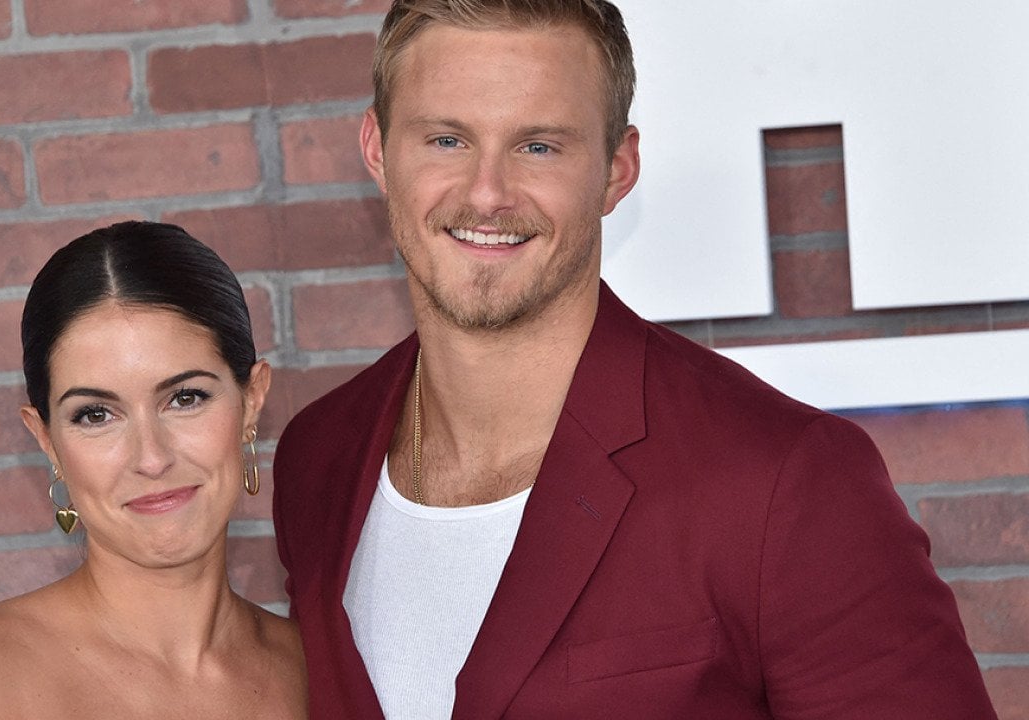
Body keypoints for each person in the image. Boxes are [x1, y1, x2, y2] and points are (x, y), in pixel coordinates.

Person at [271, 1, 997, 718]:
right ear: (377, 149)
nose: (486, 193)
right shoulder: (318, 459)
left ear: (618, 170)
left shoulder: (788, 479)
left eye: (539, 146)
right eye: (446, 141)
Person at [0, 222, 306, 719]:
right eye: (95, 414)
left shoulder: (318, 671)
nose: (151, 457)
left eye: (185, 398)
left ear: (251, 401)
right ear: (46, 440)